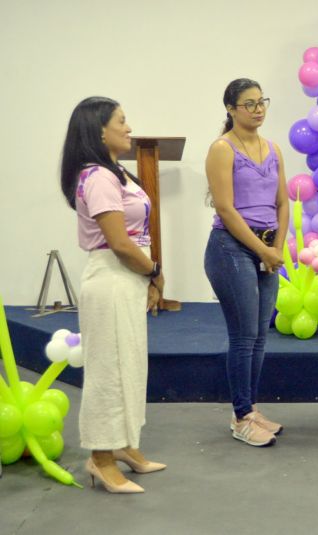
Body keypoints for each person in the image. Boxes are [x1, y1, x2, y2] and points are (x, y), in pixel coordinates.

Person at [61, 96, 166, 493]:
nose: (129, 127)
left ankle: (123, 445)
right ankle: (100, 459)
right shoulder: (99, 177)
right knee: (108, 369)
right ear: (99, 130)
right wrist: (154, 271)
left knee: (130, 364)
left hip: (127, 278)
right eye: (121, 121)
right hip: (110, 278)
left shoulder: (115, 172)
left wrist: (151, 278)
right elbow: (120, 244)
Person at [204, 78, 288, 447]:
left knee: (259, 336)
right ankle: (240, 417)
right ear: (231, 109)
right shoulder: (222, 149)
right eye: (249, 103)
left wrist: (277, 247)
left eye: (261, 102)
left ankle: (250, 409)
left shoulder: (273, 149)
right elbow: (225, 208)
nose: (258, 109)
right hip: (231, 248)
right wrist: (262, 250)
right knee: (243, 337)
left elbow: (283, 203)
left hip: (267, 247)